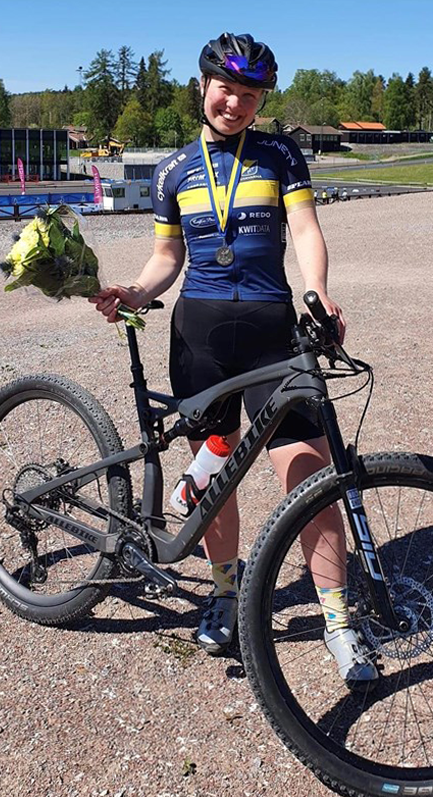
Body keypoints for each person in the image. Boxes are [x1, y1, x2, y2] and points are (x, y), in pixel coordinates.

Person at [90, 34, 376, 686]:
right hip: (202, 339)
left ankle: (337, 618)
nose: (236, 103)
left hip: (274, 331)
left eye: (250, 94)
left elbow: (305, 229)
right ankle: (225, 590)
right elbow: (167, 258)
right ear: (202, 86)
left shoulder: (279, 153)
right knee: (215, 477)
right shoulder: (172, 171)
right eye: (226, 89)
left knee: (309, 477)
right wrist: (135, 292)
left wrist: (318, 291)